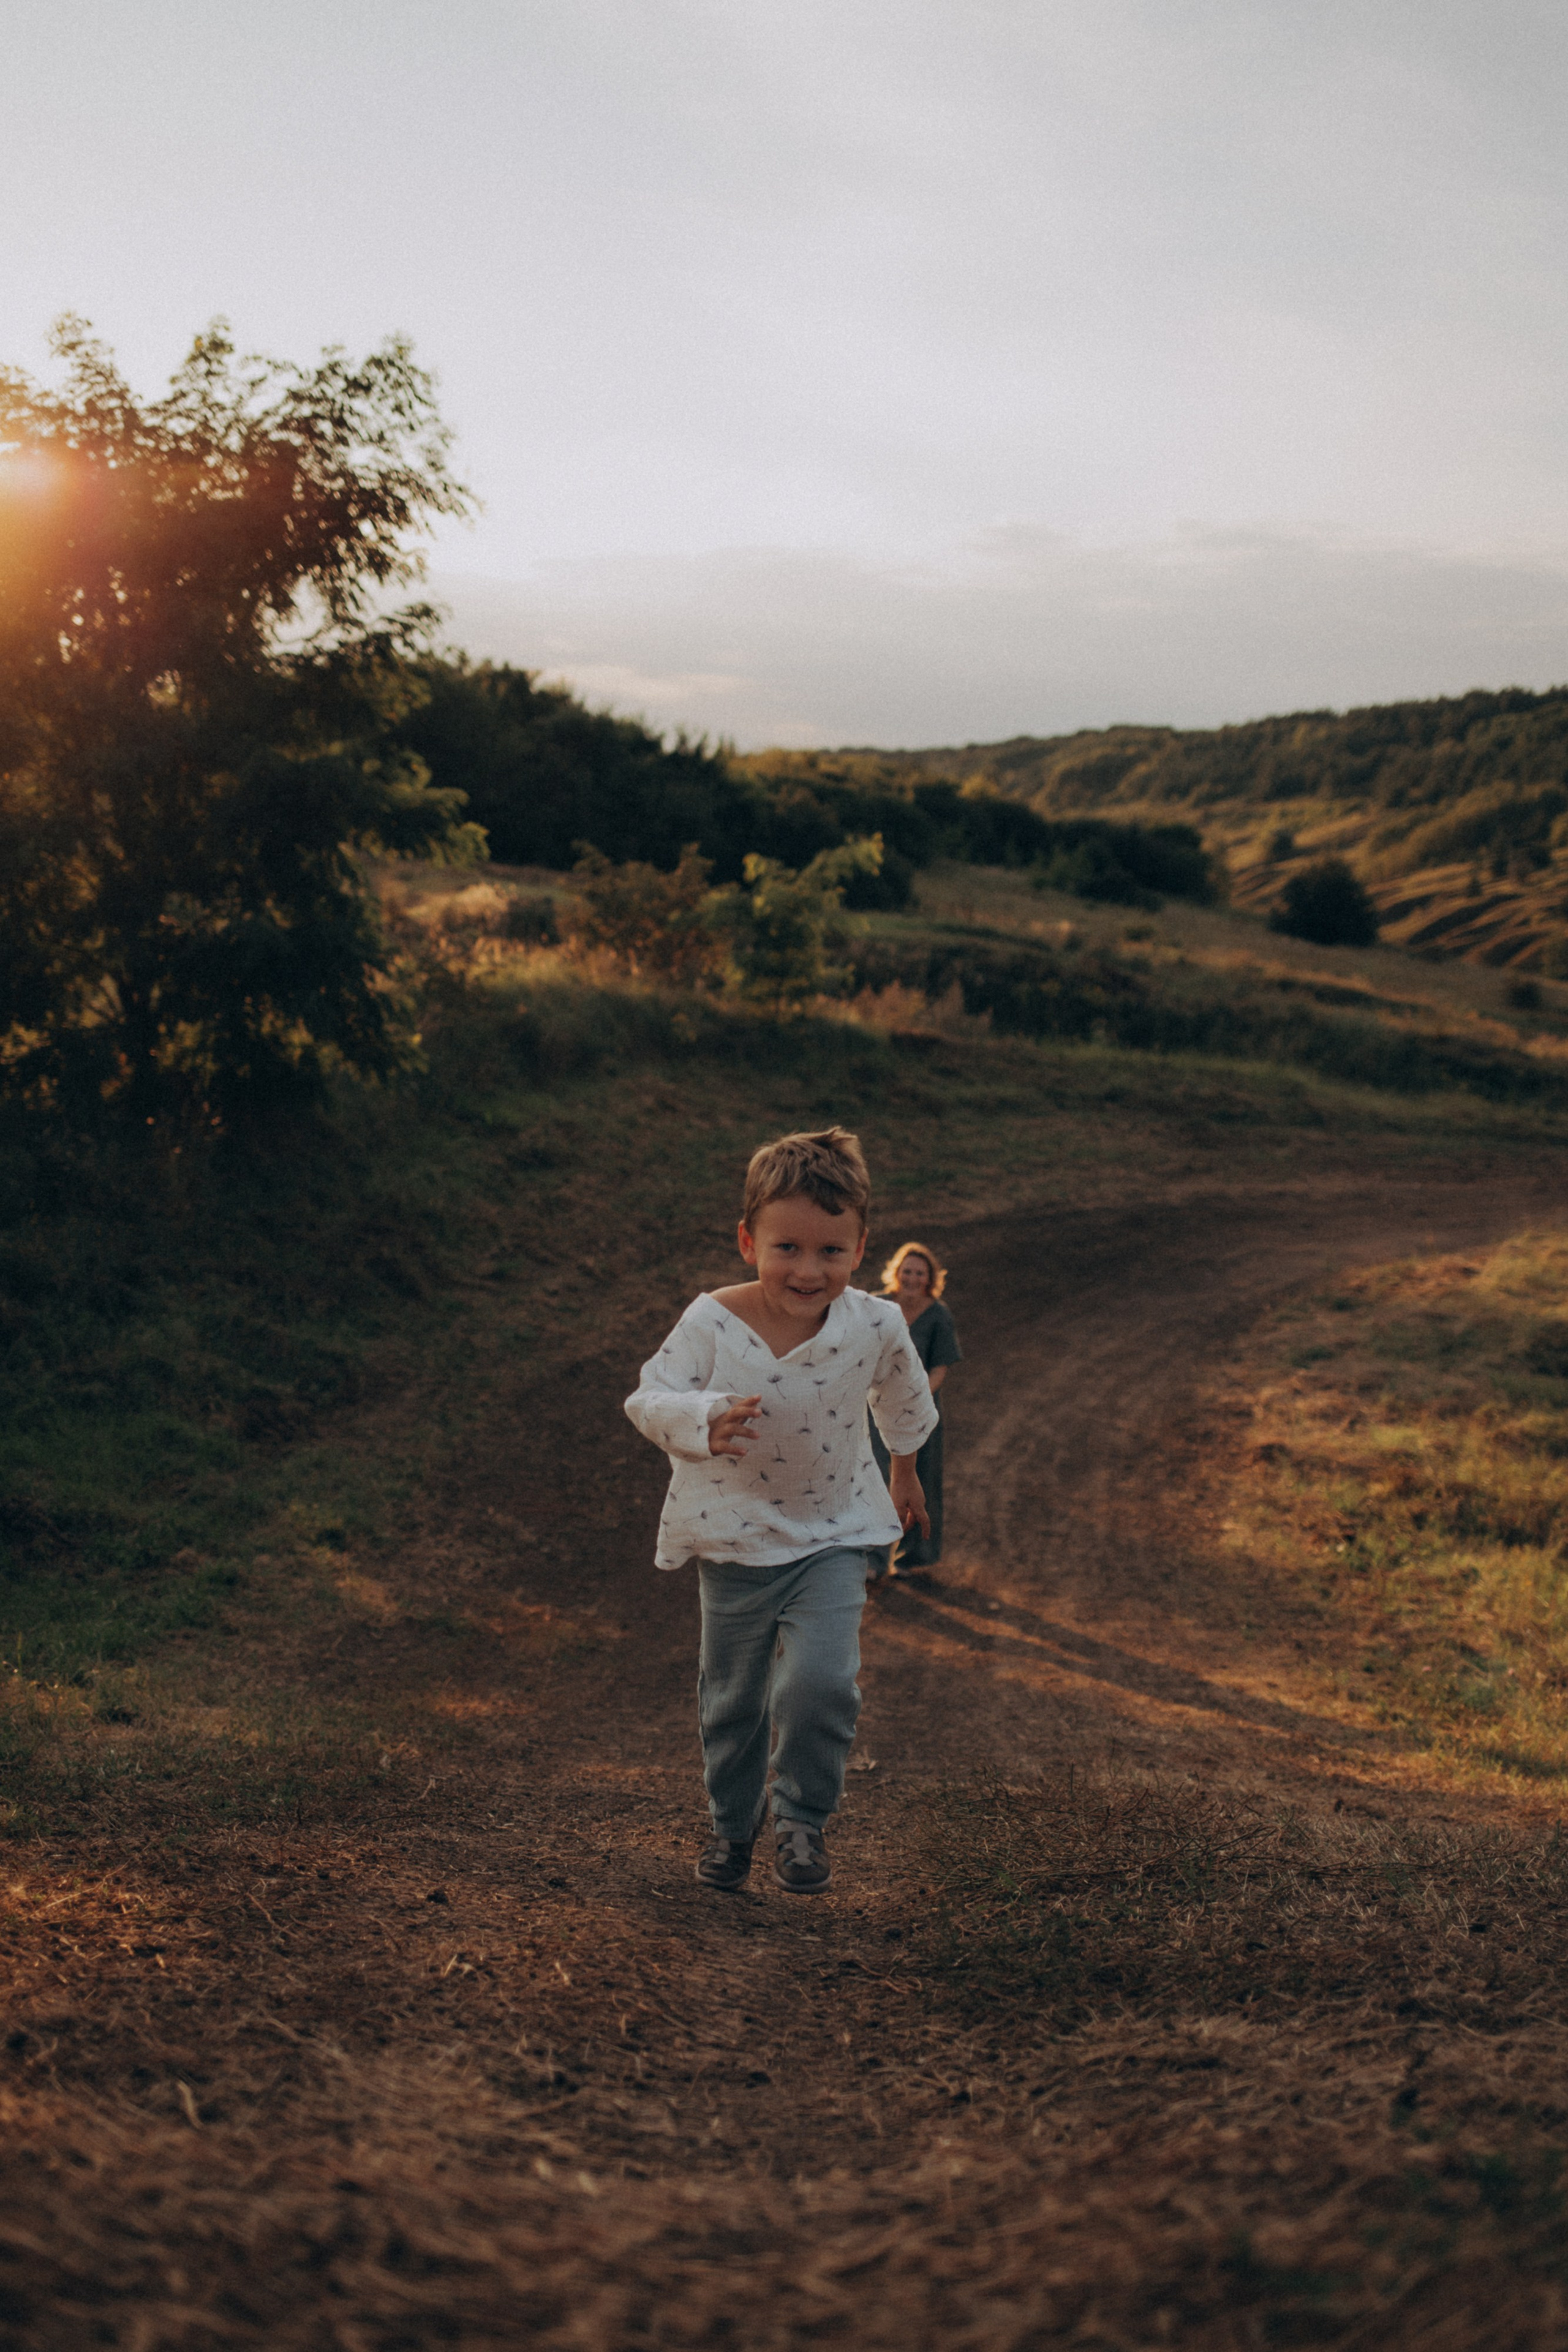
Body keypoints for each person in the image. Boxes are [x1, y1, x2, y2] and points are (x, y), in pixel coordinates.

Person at [625, 1126, 937, 1898]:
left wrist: (905, 1472)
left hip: (834, 1532)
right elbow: (649, 1396)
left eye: (830, 1252)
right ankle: (733, 1827)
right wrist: (703, 1419)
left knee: (821, 1685)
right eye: (787, 1248)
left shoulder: (876, 1324)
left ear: (860, 1248)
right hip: (734, 1538)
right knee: (732, 1700)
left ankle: (802, 1817)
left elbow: (903, 1395)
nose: (808, 1269)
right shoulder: (711, 1321)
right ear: (747, 1241)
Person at [869, 1242, 962, 1575]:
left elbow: (940, 1367)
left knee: (923, 1480)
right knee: (877, 1479)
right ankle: (873, 1560)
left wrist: (915, 1397)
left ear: (929, 1278)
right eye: (906, 1270)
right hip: (876, 1411)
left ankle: (915, 1558)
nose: (911, 1277)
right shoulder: (877, 1306)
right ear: (896, 1272)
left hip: (922, 1414)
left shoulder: (938, 1314)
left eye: (919, 1273)